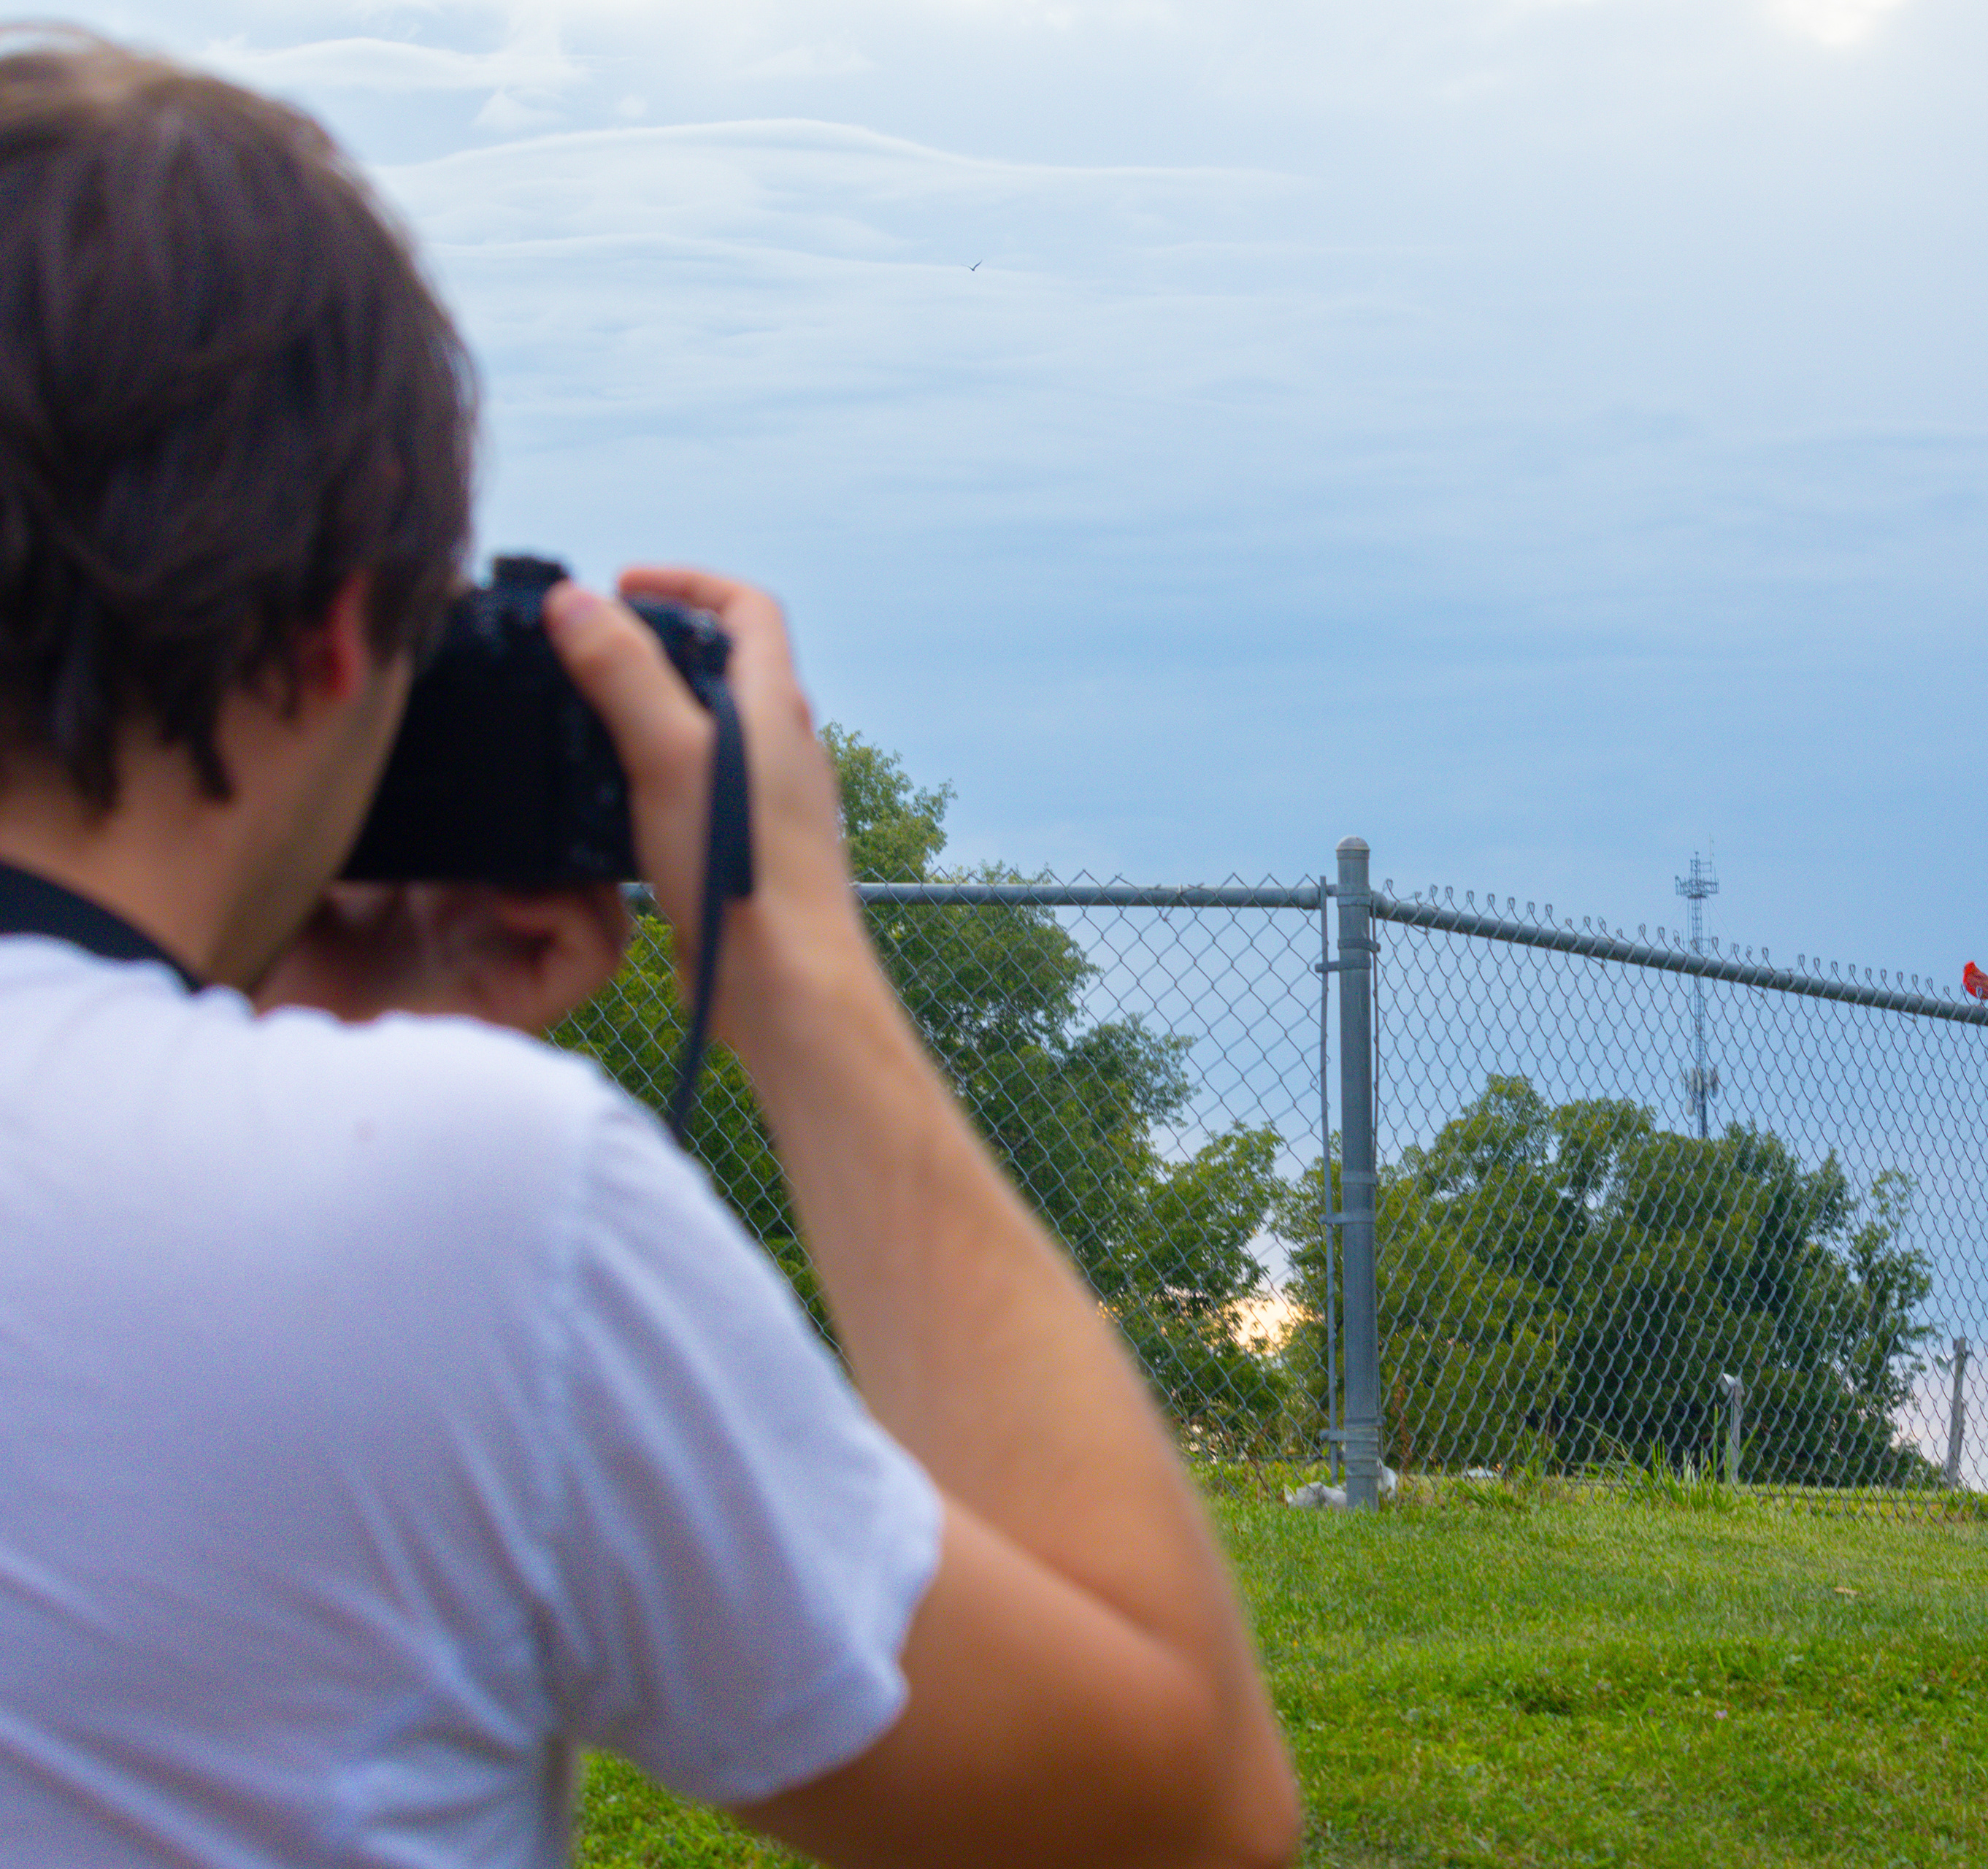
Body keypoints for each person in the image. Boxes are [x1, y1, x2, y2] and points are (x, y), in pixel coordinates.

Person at [0, 27, 1300, 1868]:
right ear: (326, 634)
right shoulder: (463, 1214)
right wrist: (792, 964)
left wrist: (251, 1014)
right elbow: (1176, 1813)